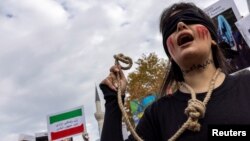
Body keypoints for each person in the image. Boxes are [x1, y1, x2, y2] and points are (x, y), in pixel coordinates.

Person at [99, 2, 250, 141]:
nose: (180, 25)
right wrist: (113, 99)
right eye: (171, 27)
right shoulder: (157, 114)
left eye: (190, 19)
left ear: (213, 38)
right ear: (170, 54)